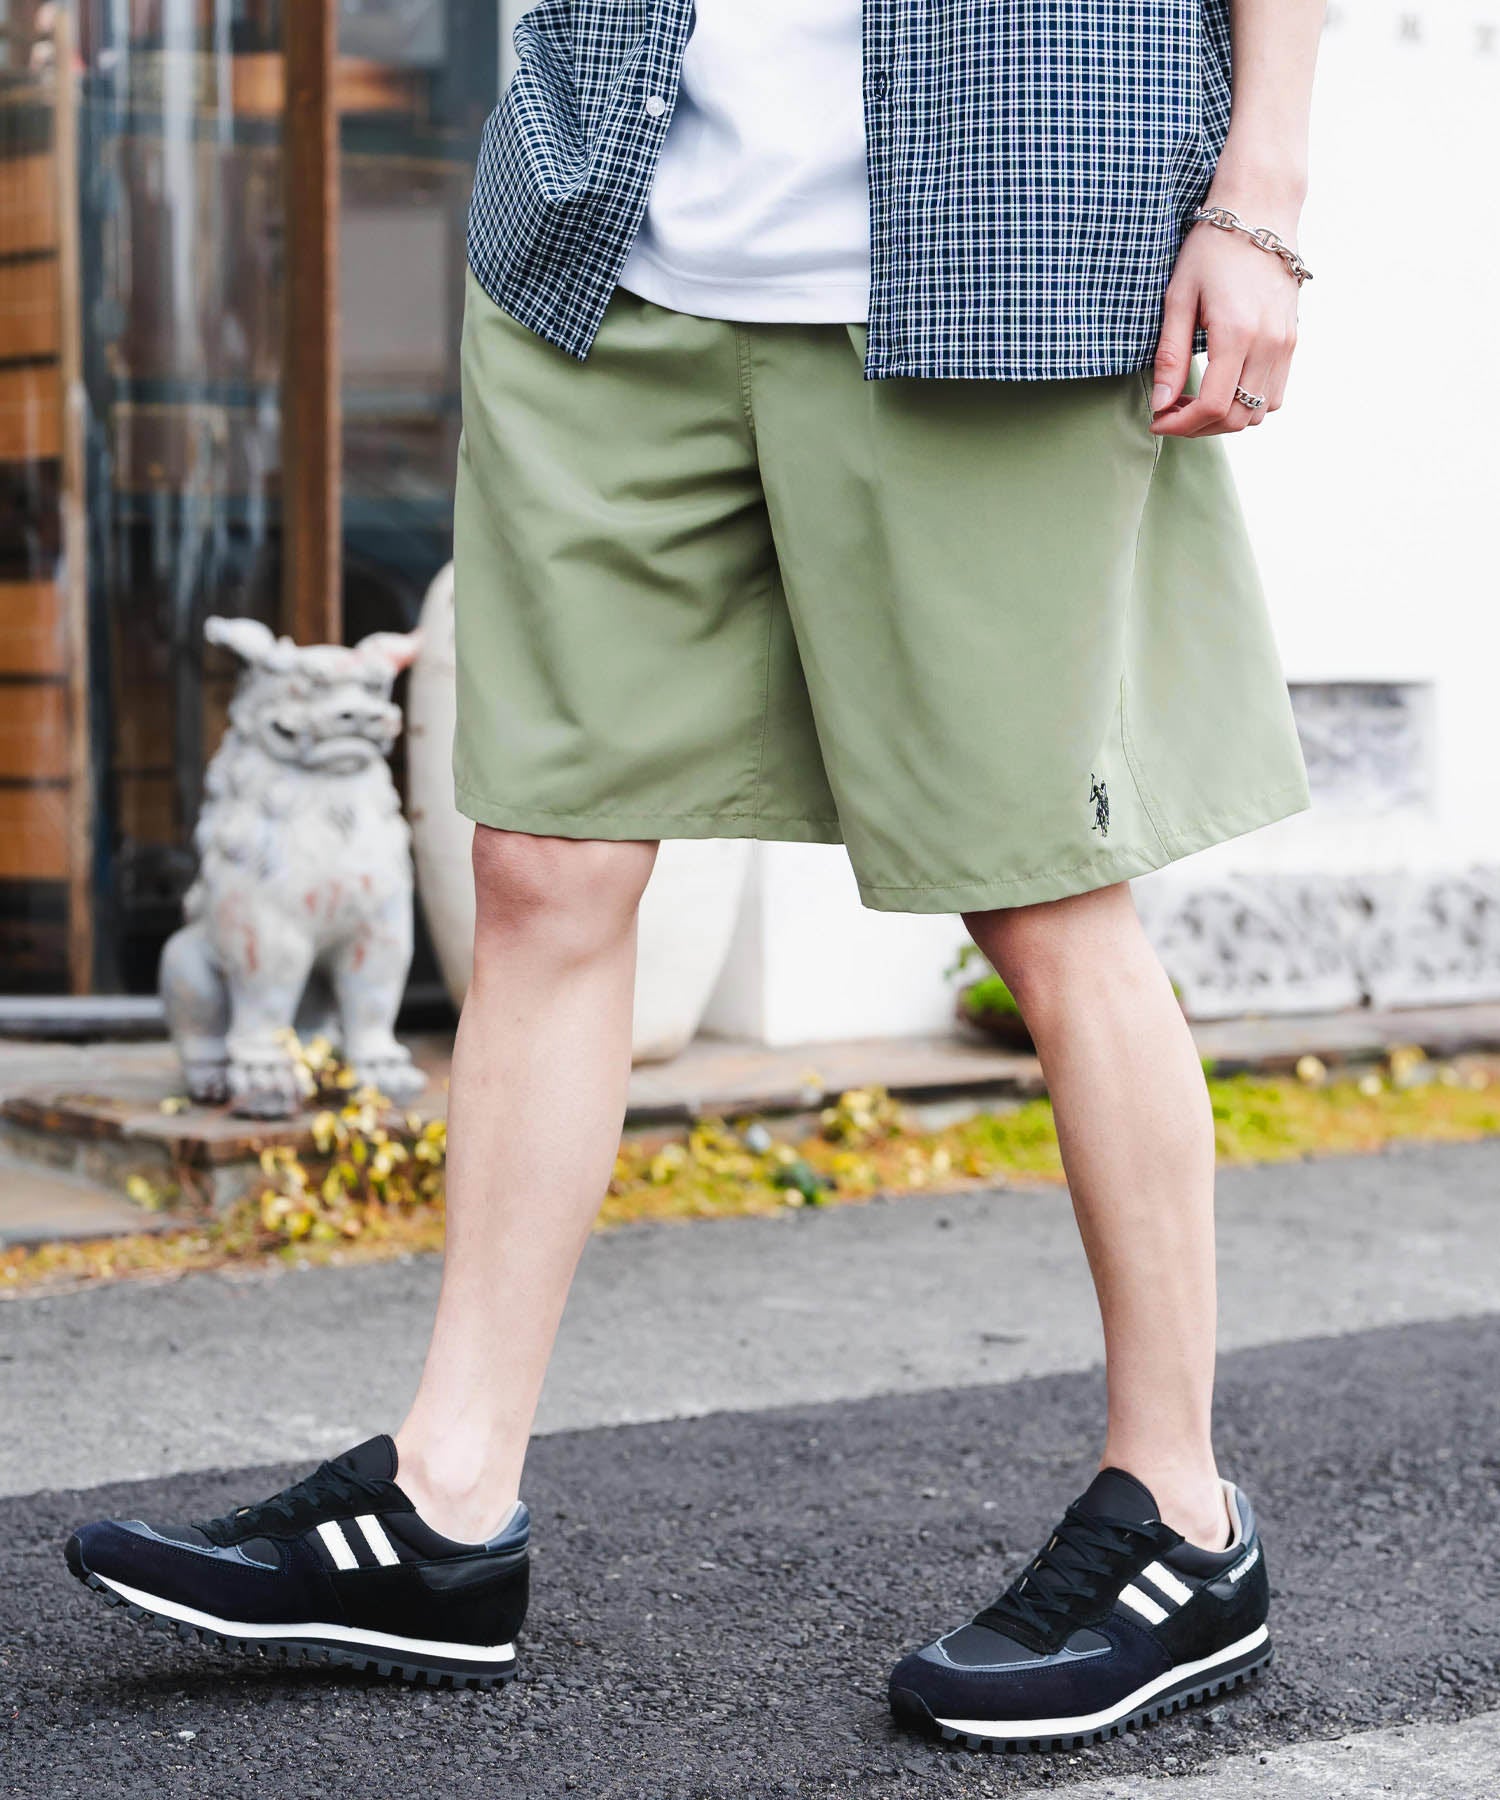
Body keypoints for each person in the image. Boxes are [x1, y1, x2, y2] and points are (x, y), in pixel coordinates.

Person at [66, 0, 1322, 1752]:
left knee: (1043, 891)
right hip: (614, 242)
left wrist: (1259, 197)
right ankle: (445, 1505)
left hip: (1005, 237)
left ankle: (1179, 1515)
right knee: (542, 865)